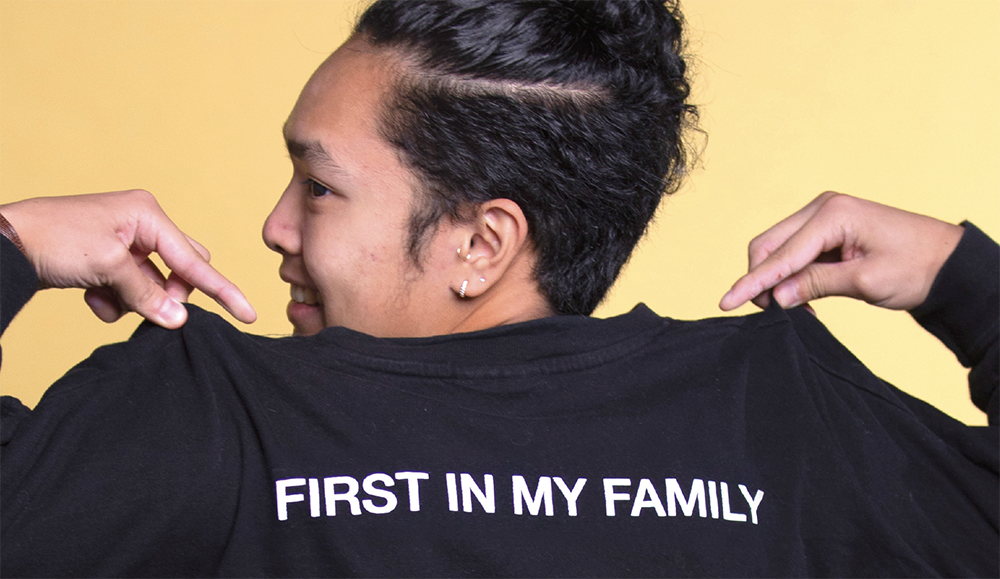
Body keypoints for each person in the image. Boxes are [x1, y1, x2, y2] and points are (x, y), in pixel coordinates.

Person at [0, 0, 998, 576]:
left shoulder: (215, 414)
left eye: (319, 186)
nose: (275, 226)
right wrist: (968, 282)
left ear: (482, 243)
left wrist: (8, 246)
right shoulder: (775, 417)